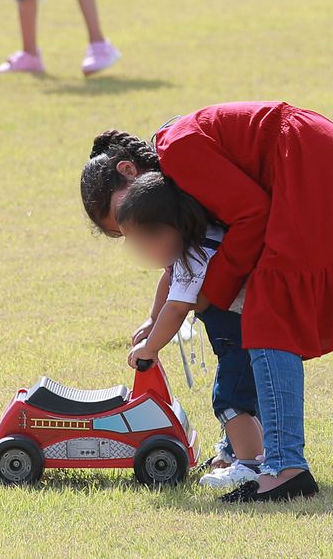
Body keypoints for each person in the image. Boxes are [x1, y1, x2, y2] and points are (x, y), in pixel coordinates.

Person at [80, 102, 333, 502]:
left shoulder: (177, 149)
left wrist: (209, 293)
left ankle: (284, 468)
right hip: (312, 165)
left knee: (267, 311)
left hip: (314, 168)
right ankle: (247, 452)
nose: (139, 231)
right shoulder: (175, 179)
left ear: (129, 171)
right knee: (260, 311)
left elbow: (252, 215)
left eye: (128, 216)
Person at [119, 172, 264, 490]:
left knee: (230, 400)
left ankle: (251, 465)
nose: (141, 252)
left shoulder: (192, 256)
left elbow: (177, 307)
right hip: (243, 331)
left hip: (242, 334)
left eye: (142, 242)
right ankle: (234, 453)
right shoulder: (200, 238)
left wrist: (152, 347)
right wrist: (150, 319)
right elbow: (169, 281)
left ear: (164, 231)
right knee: (243, 396)